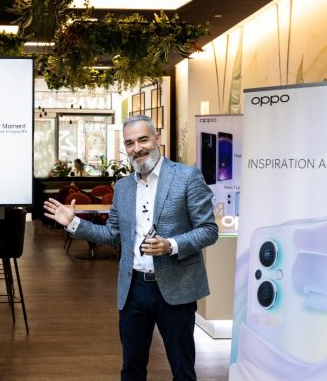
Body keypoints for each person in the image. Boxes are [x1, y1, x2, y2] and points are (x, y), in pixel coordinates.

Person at [43, 115, 218, 381]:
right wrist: (74, 223)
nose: (137, 148)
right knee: (131, 369)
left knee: (182, 370)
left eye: (143, 139)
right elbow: (113, 235)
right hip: (133, 289)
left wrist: (171, 245)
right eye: (129, 143)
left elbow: (208, 230)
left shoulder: (186, 177)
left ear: (157, 138)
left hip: (176, 287)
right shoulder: (123, 187)